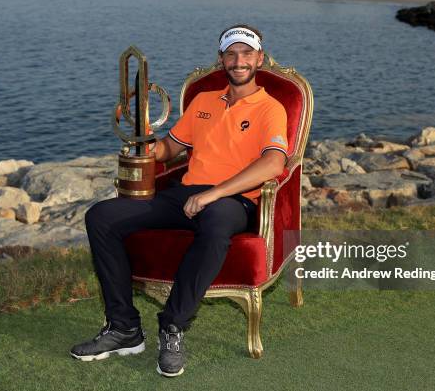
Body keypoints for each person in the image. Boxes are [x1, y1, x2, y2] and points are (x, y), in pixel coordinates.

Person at [70, 24, 288, 377]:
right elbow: (172, 148)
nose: (239, 61)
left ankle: (172, 326)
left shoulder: (270, 108)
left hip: (233, 200)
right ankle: (124, 327)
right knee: (101, 217)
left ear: (259, 59)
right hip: (186, 194)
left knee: (216, 227)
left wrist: (213, 194)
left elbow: (274, 162)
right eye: (231, 54)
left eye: (246, 54)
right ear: (221, 60)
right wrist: (145, 145)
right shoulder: (203, 102)